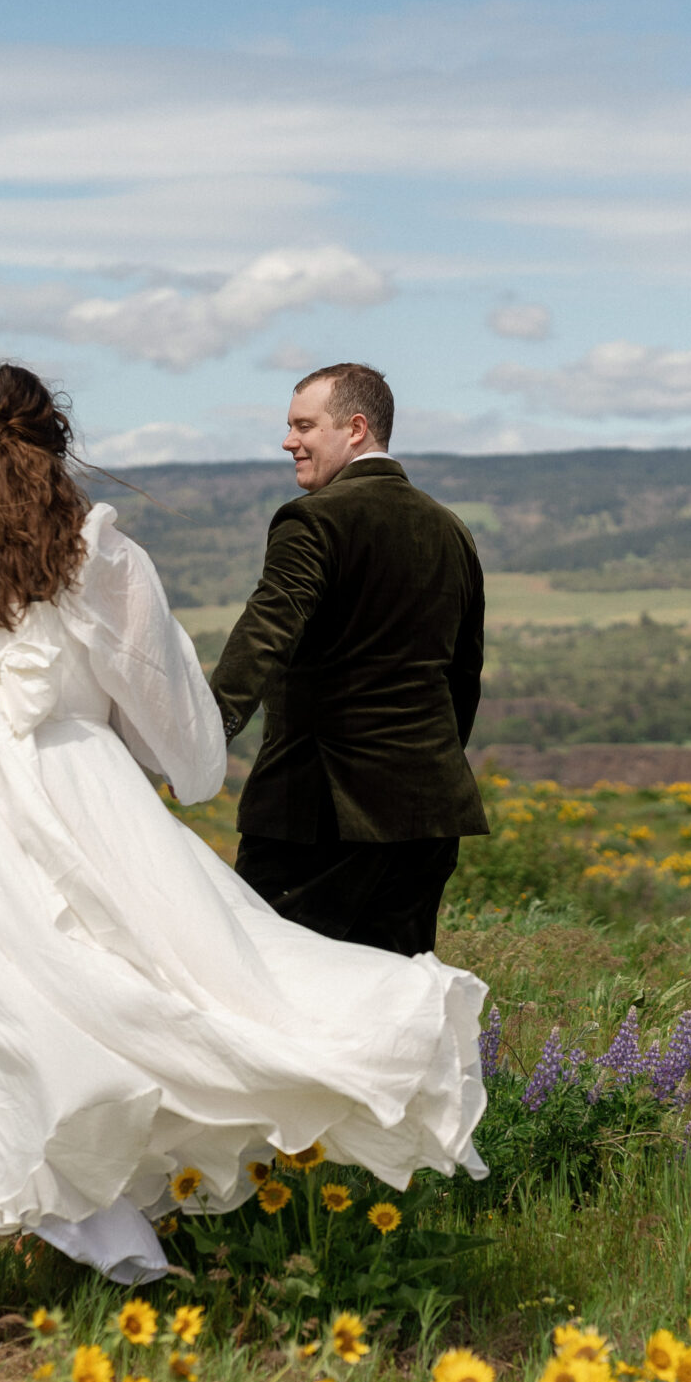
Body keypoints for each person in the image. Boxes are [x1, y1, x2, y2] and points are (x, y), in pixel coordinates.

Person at [0, 362, 487, 1353]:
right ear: (57, 446)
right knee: (128, 1003)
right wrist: (169, 762)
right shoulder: (103, 560)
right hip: (62, 802)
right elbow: (177, 733)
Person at [210, 364, 489, 956]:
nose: (289, 441)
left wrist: (205, 731)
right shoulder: (451, 530)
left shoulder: (312, 520)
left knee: (274, 977)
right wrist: (427, 762)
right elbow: (463, 677)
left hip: (318, 812)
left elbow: (267, 629)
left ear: (356, 428)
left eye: (304, 426)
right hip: (427, 810)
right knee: (399, 996)